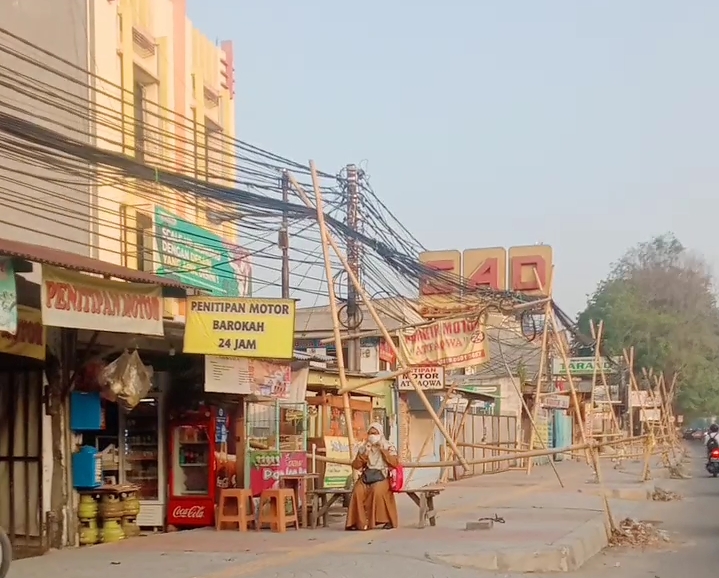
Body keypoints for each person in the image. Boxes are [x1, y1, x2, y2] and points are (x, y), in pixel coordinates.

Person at [345, 422, 399, 531]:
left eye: (375, 433)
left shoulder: (388, 446)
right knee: (357, 490)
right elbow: (356, 465)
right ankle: (357, 522)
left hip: (382, 475)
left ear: (380, 434)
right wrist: (365, 453)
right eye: (370, 433)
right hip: (367, 475)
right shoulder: (364, 447)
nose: (372, 436)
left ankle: (385, 520)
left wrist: (383, 450)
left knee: (377, 490)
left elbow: (395, 463)